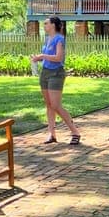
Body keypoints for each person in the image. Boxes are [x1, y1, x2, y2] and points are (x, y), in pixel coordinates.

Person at [30, 16, 81, 145]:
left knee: (56, 105)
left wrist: (42, 56)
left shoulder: (59, 39)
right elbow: (49, 57)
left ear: (53, 25)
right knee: (49, 105)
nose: (44, 25)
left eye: (46, 23)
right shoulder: (47, 39)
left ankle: (75, 132)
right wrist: (38, 58)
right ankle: (51, 134)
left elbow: (58, 58)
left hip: (56, 73)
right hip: (45, 72)